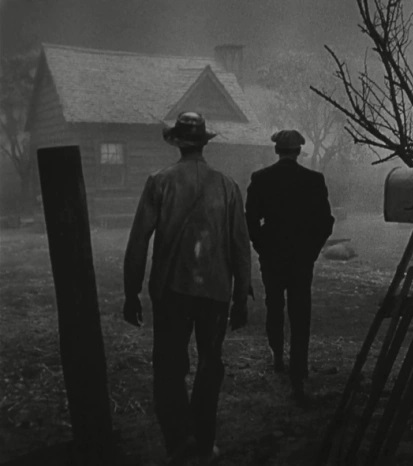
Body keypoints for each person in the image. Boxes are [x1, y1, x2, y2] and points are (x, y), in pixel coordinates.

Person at [122, 111, 251, 465]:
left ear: (178, 143)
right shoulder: (227, 186)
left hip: (172, 290)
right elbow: (241, 246)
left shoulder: (159, 182)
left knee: (168, 366)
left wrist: (131, 292)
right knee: (210, 365)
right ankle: (204, 442)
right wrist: (241, 297)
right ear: (203, 143)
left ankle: (180, 439)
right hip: (216, 292)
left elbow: (138, 241)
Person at [245, 129, 334, 404]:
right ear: (298, 151)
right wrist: (312, 251)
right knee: (300, 310)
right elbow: (325, 222)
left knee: (274, 305)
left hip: (273, 255)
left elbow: (251, 221)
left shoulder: (261, 179)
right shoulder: (314, 180)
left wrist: (262, 247)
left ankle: (277, 356)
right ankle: (299, 366)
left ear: (277, 150)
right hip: (301, 257)